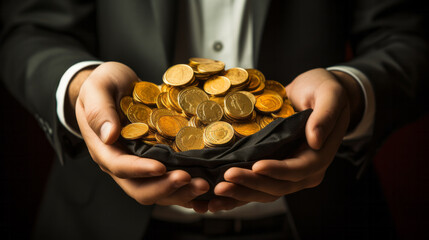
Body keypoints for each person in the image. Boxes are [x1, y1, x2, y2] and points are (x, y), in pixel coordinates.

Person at [1, 0, 428, 239]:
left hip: (322, 221)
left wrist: (350, 92)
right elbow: (32, 32)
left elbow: (409, 38)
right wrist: (81, 85)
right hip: (104, 224)